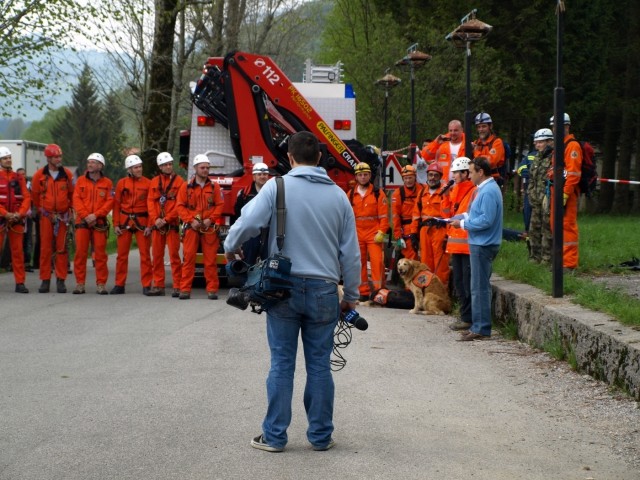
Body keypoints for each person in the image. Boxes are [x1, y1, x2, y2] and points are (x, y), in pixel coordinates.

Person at [223, 131, 361, 453]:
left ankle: (274, 437)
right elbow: (351, 254)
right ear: (319, 159)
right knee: (320, 365)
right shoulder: (340, 197)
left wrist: (231, 249)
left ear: (289, 157)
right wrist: (351, 295)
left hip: (281, 288)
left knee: (282, 363)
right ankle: (321, 436)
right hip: (325, 291)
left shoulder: (277, 186)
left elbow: (246, 224)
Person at [450, 156, 503, 341]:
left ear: (481, 172)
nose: (469, 176)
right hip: (480, 243)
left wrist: (463, 224)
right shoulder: (484, 189)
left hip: (483, 243)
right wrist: (455, 218)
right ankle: (478, 325)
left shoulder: (488, 191)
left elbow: (486, 220)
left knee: (479, 287)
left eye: (471, 172)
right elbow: (475, 213)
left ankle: (481, 328)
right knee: (477, 286)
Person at [175, 154, 224, 300]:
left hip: (209, 228)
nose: (205, 170)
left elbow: (220, 205)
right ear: (195, 168)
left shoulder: (214, 186)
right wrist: (191, 220)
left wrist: (211, 219)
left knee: (210, 260)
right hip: (192, 228)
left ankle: (212, 290)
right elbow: (180, 206)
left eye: (207, 168)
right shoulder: (186, 187)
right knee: (188, 258)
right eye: (202, 167)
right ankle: (185, 289)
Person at [30, 144, 74, 293]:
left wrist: (70, 212)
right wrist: (43, 210)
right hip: (46, 217)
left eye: (60, 156)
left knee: (61, 248)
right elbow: (35, 196)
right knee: (45, 249)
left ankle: (61, 280)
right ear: (48, 158)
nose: (59, 159)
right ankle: (45, 280)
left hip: (62, 217)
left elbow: (72, 195)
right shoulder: (39, 176)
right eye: (56, 157)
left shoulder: (67, 175)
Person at [441, 157, 476, 331]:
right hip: (455, 244)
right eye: (453, 172)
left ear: (465, 173)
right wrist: (445, 197)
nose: (453, 175)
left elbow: (466, 214)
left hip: (467, 245)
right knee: (459, 283)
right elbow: (448, 213)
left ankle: (469, 318)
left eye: (456, 172)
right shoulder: (454, 190)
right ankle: (465, 317)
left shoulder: (472, 191)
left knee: (467, 283)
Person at [72, 153, 114, 295]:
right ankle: (80, 284)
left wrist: (96, 215)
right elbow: (76, 200)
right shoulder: (80, 181)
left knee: (101, 255)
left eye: (93, 162)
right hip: (82, 223)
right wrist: (86, 216)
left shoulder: (107, 183)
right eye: (88, 162)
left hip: (99, 222)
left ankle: (101, 284)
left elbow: (109, 202)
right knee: (80, 254)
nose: (90, 165)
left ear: (100, 165)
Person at [111, 154, 153, 295]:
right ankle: (119, 284)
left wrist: (149, 225)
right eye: (136, 167)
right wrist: (116, 224)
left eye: (140, 167)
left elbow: (152, 206)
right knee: (121, 256)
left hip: (142, 221)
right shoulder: (122, 184)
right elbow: (116, 205)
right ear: (129, 169)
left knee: (145, 255)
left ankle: (147, 285)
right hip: (124, 221)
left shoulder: (148, 183)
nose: (139, 169)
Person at [348, 162, 389, 301]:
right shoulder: (351, 194)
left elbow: (384, 216)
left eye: (365, 175)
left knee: (377, 263)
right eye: (360, 175)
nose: (363, 177)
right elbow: (347, 217)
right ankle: (363, 292)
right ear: (356, 177)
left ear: (370, 176)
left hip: (374, 234)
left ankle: (378, 291)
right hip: (358, 233)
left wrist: (382, 232)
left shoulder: (378, 193)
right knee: (359, 264)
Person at [147, 152, 185, 297]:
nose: (168, 167)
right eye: (165, 165)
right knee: (156, 256)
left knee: (174, 256)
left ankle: (177, 285)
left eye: (169, 164)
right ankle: (158, 285)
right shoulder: (154, 182)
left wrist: (167, 219)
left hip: (172, 224)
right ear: (160, 167)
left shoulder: (179, 181)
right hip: (157, 224)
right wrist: (156, 219)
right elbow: (150, 202)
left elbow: (180, 203)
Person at [549, 113, 582, 272]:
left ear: (567, 126)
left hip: (566, 193)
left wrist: (565, 194)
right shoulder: (560, 145)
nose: (555, 129)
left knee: (567, 227)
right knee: (556, 226)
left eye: (559, 126)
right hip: (557, 190)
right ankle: (559, 261)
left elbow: (573, 174)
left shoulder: (572, 146)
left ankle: (569, 264)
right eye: (554, 126)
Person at [410, 162, 450, 286]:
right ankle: (426, 291)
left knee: (441, 263)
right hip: (424, 231)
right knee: (425, 263)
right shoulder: (422, 193)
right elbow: (416, 215)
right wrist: (413, 234)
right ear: (427, 176)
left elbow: (450, 215)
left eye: (436, 175)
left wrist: (448, 235)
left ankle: (440, 292)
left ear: (440, 177)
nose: (432, 178)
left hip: (439, 230)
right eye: (430, 175)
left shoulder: (445, 193)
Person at [0, 146, 31, 293]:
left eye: (9, 157)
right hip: (2, 218)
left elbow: (27, 197)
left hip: (16, 219)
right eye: (5, 158)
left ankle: (20, 282)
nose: (8, 160)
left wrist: (20, 213)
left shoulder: (18, 178)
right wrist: (5, 213)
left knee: (18, 251)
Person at [233, 162, 271, 266]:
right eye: (259, 174)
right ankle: (248, 282)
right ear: (254, 177)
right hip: (250, 234)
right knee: (248, 262)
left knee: (268, 263)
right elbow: (238, 213)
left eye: (265, 174)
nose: (262, 177)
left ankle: (265, 282)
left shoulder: (274, 192)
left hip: (268, 233)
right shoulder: (245, 194)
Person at [528, 129, 554, 265]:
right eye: (536, 142)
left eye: (540, 142)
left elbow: (559, 177)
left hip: (548, 200)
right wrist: (531, 193)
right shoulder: (537, 157)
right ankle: (534, 257)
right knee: (534, 229)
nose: (537, 145)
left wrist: (548, 197)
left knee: (547, 230)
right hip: (536, 200)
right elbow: (532, 177)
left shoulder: (554, 157)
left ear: (549, 142)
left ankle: (547, 258)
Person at [390, 165, 422, 261]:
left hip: (422, 227)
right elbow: (395, 216)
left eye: (410, 177)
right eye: (406, 178)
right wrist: (398, 236)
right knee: (411, 259)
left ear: (415, 177)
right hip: (407, 229)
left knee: (425, 257)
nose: (408, 180)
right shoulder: (398, 193)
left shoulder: (423, 189)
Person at [472, 112, 506, 185]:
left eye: (484, 126)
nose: (481, 129)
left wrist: (476, 151)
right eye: (479, 127)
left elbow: (490, 162)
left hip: (493, 180)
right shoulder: (476, 143)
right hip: (478, 180)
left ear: (490, 126)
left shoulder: (497, 142)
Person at [16, 168, 34, 272]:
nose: (22, 176)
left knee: (28, 240)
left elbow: (34, 199)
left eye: (23, 174)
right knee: (18, 240)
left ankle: (27, 262)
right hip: (17, 216)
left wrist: (34, 213)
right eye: (20, 174)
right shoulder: (14, 185)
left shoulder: (29, 185)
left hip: (28, 216)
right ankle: (16, 263)